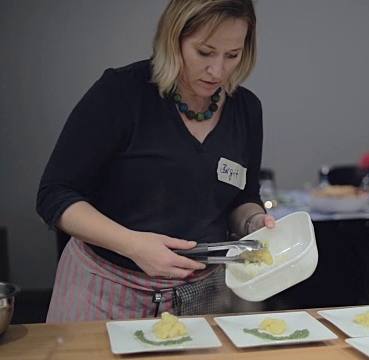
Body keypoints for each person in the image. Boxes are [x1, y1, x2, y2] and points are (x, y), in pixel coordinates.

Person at [36, 0, 275, 322]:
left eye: (232, 55)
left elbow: (242, 198)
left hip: (205, 294)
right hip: (107, 289)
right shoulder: (122, 93)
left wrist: (254, 223)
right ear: (172, 40)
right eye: (204, 52)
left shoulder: (246, 109)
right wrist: (133, 245)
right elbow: (55, 195)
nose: (218, 70)